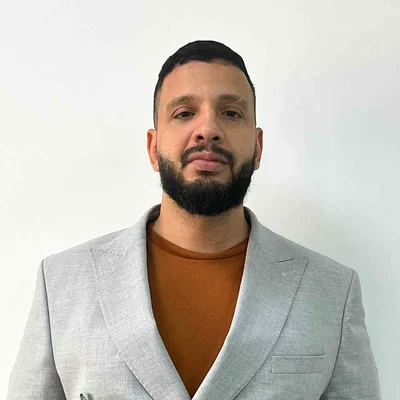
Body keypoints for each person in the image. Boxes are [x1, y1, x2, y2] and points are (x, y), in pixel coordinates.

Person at [7, 40, 381, 399]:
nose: (208, 129)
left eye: (231, 113)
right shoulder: (62, 283)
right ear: (153, 147)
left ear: (258, 147)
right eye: (184, 113)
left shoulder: (333, 291)